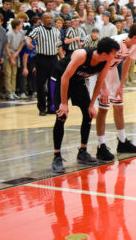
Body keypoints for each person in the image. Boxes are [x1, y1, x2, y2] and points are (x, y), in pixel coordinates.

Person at [50, 38, 120, 173]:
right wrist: (64, 103)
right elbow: (65, 78)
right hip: (61, 78)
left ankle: (83, 152)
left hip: (77, 81)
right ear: (104, 53)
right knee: (61, 115)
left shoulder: (107, 61)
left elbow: (100, 81)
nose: (116, 56)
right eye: (114, 53)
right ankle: (57, 156)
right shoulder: (81, 55)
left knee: (88, 113)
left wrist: (92, 105)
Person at [93, 23, 136, 162]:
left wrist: (121, 85)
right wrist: (103, 87)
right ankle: (101, 146)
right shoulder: (116, 42)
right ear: (135, 37)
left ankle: (122, 142)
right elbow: (100, 62)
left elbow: (128, 62)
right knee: (103, 109)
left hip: (112, 72)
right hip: (100, 72)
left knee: (119, 106)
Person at [27, 12, 65, 115]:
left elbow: (59, 47)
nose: (49, 19)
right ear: (42, 20)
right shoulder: (38, 30)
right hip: (41, 59)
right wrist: (28, 43)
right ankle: (42, 108)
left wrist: (63, 60)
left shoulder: (56, 31)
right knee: (40, 84)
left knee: (53, 84)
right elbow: (28, 38)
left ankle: (51, 107)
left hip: (53, 59)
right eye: (47, 18)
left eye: (50, 18)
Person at [3, 19, 25, 100]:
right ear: (16, 25)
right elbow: (6, 47)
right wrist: (11, 57)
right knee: (8, 74)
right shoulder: (9, 34)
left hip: (15, 54)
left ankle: (13, 91)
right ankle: (8, 92)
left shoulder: (21, 33)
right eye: (20, 24)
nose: (22, 25)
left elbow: (22, 43)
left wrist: (17, 53)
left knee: (14, 74)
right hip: (8, 54)